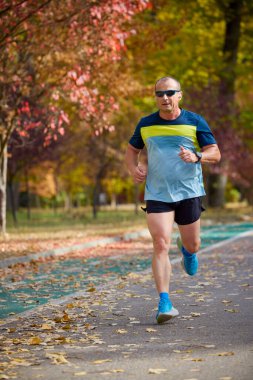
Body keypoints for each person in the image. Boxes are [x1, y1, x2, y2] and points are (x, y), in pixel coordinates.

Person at [125, 76, 221, 324]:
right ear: (155, 97)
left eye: (170, 93)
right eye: (160, 94)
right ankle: (164, 302)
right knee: (159, 243)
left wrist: (197, 156)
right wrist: (132, 168)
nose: (165, 98)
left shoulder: (194, 121)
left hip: (188, 192)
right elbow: (132, 149)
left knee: (194, 244)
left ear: (180, 95)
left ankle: (188, 252)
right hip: (157, 193)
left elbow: (215, 153)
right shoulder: (146, 124)